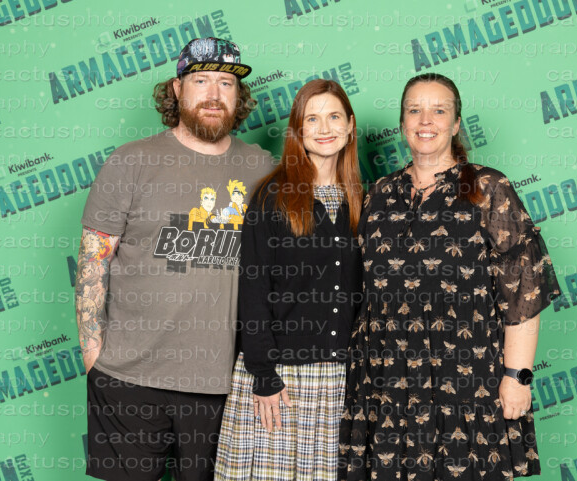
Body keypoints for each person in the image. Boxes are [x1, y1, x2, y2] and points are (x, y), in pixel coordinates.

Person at [338, 73, 561, 481]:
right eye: (415, 110)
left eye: (439, 111)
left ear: (456, 123)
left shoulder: (488, 187)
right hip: (386, 381)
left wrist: (518, 378)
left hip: (466, 380)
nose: (426, 120)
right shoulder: (379, 194)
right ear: (402, 122)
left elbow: (524, 293)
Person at [75, 37, 274, 481]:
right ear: (177, 88)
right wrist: (95, 357)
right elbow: (93, 262)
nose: (214, 94)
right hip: (127, 379)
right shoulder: (131, 161)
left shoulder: (261, 169)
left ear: (239, 96)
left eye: (226, 83)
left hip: (219, 384)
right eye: (201, 80)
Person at [213, 79, 363, 481]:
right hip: (280, 374)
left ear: (350, 125)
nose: (324, 128)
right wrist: (264, 375)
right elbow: (254, 290)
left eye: (334, 117)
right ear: (298, 129)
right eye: (312, 119)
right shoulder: (273, 196)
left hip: (339, 379)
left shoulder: (361, 199)